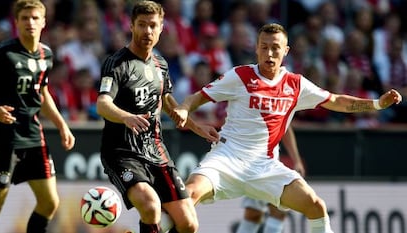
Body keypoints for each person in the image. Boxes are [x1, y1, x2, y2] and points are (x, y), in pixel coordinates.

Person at [169, 23, 402, 233]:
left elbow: (337, 101)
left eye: (275, 48)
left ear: (286, 51)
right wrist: (184, 108)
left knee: (316, 206)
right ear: (257, 49)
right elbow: (197, 97)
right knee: (188, 195)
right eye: (264, 47)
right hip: (227, 159)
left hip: (266, 166)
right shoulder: (240, 75)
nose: (269, 53)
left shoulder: (296, 84)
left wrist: (377, 104)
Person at [95, 1, 219, 233]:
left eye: (153, 25)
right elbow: (102, 103)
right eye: (142, 25)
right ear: (131, 26)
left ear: (161, 28)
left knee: (188, 224)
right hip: (122, 152)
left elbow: (168, 103)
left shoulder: (160, 64)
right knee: (151, 206)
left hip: (156, 151)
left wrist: (196, 126)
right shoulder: (116, 64)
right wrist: (125, 117)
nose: (147, 31)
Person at [0, 1, 76, 233]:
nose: (30, 22)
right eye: (25, 18)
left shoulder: (46, 54)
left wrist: (62, 125)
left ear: (43, 22)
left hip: (33, 135)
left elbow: (42, 93)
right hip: (3, 137)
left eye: (35, 18)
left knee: (50, 202)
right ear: (16, 22)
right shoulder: (3, 53)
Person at [236, 127, 306, 233]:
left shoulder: (280, 111)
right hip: (254, 163)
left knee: (269, 212)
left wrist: (297, 160)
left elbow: (285, 126)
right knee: (259, 213)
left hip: (266, 163)